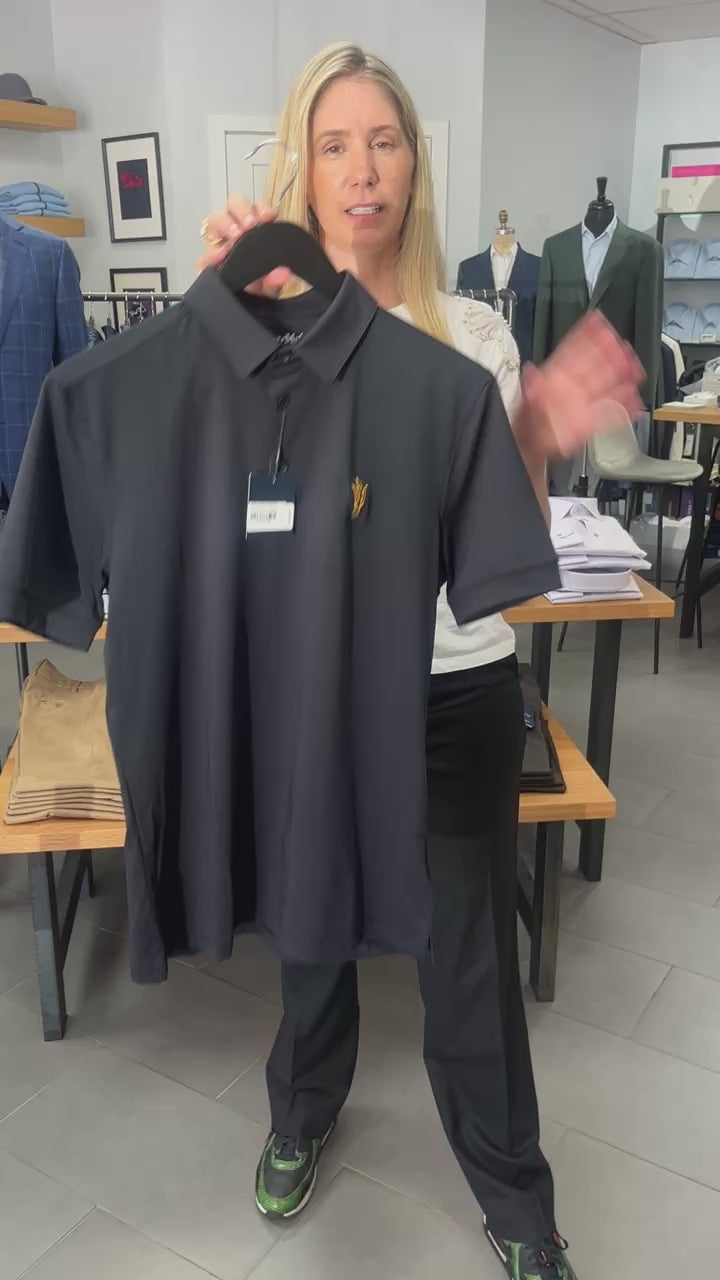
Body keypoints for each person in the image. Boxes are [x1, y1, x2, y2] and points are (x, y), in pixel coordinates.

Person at [198, 43, 642, 1280]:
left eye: (384, 141)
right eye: (335, 143)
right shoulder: (263, 322)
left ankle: (514, 1192)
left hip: (456, 683)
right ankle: (301, 1107)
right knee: (310, 917)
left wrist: (534, 433)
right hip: (315, 680)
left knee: (468, 953)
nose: (362, 168)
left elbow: (507, 549)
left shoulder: (477, 334)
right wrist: (228, 309)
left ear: (414, 165)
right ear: (303, 165)